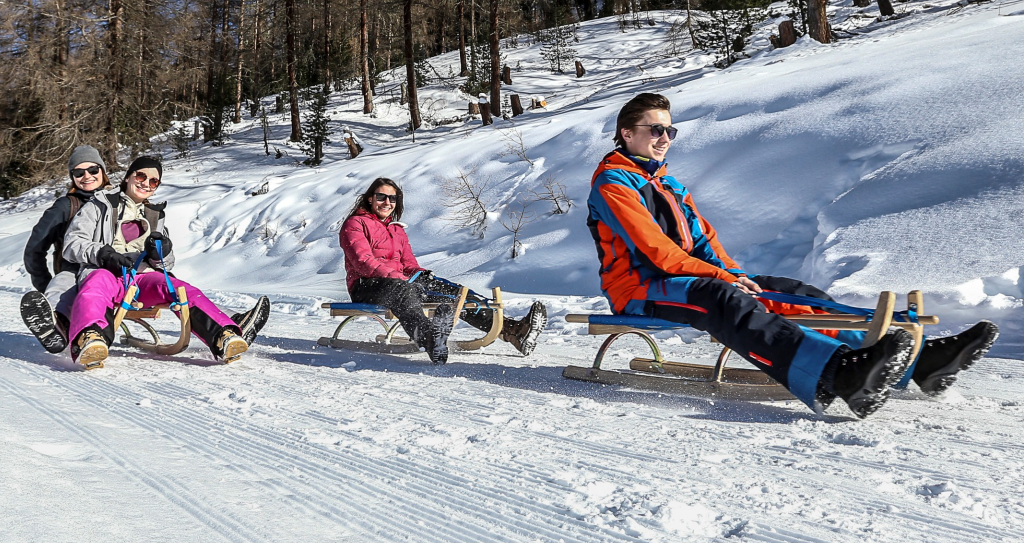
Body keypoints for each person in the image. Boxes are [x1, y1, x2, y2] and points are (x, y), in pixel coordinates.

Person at [587, 93, 998, 418]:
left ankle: (917, 362)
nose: (664, 138)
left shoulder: (669, 185)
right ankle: (835, 373)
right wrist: (727, 282)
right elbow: (655, 250)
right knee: (723, 299)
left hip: (683, 277)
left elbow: (705, 244)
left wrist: (733, 272)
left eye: (670, 131)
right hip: (638, 287)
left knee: (790, 289)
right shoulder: (613, 183)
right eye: (655, 129)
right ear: (626, 133)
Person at [61, 156, 268, 367]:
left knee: (181, 289)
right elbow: (72, 244)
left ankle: (223, 335)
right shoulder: (99, 205)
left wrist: (161, 252)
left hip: (141, 277)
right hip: (105, 272)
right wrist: (103, 255)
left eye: (154, 181)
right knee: (94, 287)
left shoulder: (155, 215)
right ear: (128, 178)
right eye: (141, 176)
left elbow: (166, 265)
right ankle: (90, 338)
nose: (146, 183)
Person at [339, 177, 548, 364]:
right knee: (403, 289)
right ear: (370, 198)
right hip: (367, 285)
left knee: (453, 293)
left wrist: (421, 275)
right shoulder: (355, 224)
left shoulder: (396, 230)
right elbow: (362, 261)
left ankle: (512, 331)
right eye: (381, 197)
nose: (387, 203)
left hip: (401, 282)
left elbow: (409, 263)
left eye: (392, 199)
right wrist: (399, 277)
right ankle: (430, 338)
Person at [20, 146, 110, 353]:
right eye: (79, 173)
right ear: (72, 177)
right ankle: (53, 325)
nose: (87, 176)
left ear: (103, 171)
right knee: (61, 289)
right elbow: (35, 249)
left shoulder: (117, 202)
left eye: (93, 170)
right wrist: (44, 285)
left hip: (108, 272)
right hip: (73, 271)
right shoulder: (65, 206)